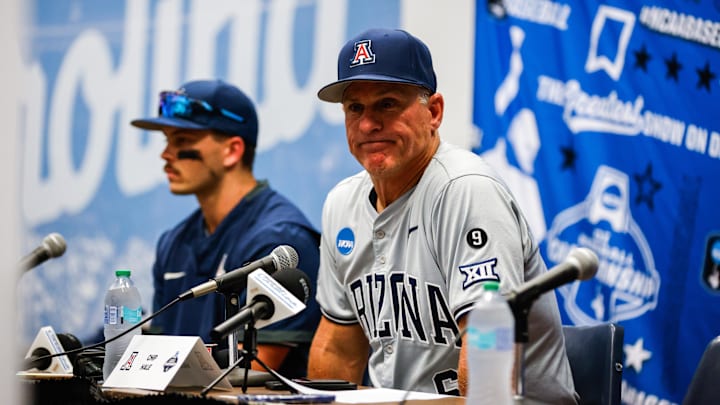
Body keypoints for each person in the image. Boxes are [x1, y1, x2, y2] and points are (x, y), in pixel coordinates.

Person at [307, 28, 578, 404]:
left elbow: (489, 347)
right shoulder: (342, 203)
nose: (368, 124)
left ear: (433, 112)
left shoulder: (466, 190)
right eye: (355, 108)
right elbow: (338, 346)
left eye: (387, 104)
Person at [131, 79, 321, 378]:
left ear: (232, 151)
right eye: (166, 140)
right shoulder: (172, 242)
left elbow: (249, 373)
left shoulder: (280, 240)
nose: (165, 154)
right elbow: (154, 361)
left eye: (181, 141)